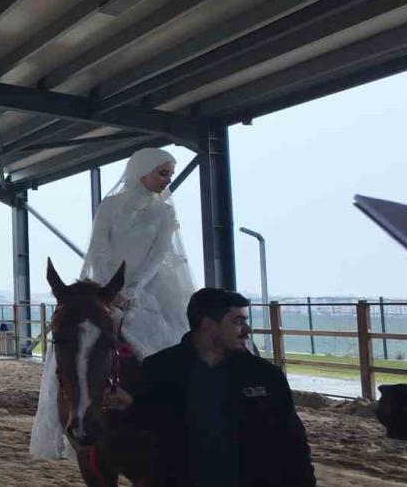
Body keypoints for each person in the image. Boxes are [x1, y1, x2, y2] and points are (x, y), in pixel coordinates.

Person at [31, 147, 196, 460]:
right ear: (142, 170)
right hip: (105, 287)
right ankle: (59, 421)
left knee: (175, 344)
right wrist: (109, 290)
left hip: (148, 290)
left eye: (169, 175)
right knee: (64, 349)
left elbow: (158, 256)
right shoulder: (110, 205)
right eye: (162, 173)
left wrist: (131, 290)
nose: (166, 181)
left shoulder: (164, 212)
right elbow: (99, 247)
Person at [105, 288, 316, 486]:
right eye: (237, 321)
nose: (246, 330)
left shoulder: (265, 375)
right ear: (208, 325)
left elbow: (292, 442)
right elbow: (146, 429)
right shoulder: (159, 369)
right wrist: (130, 407)